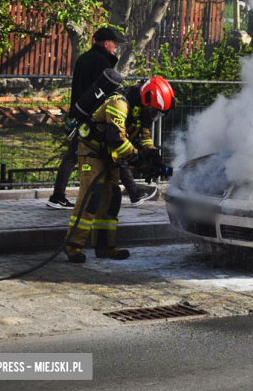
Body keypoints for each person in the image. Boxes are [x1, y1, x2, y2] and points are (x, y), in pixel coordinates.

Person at [64, 76, 175, 263]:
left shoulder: (142, 110)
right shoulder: (119, 104)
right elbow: (117, 138)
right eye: (155, 112)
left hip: (110, 155)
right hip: (92, 151)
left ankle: (105, 246)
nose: (155, 116)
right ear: (147, 100)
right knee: (92, 195)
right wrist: (139, 162)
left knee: (112, 198)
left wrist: (154, 157)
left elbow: (145, 136)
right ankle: (73, 245)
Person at [47, 27, 157, 209]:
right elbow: (105, 91)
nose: (114, 47)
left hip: (81, 112)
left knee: (82, 155)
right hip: (95, 117)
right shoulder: (102, 61)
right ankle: (58, 196)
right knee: (108, 151)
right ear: (106, 43)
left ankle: (134, 192)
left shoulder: (83, 58)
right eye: (114, 44)